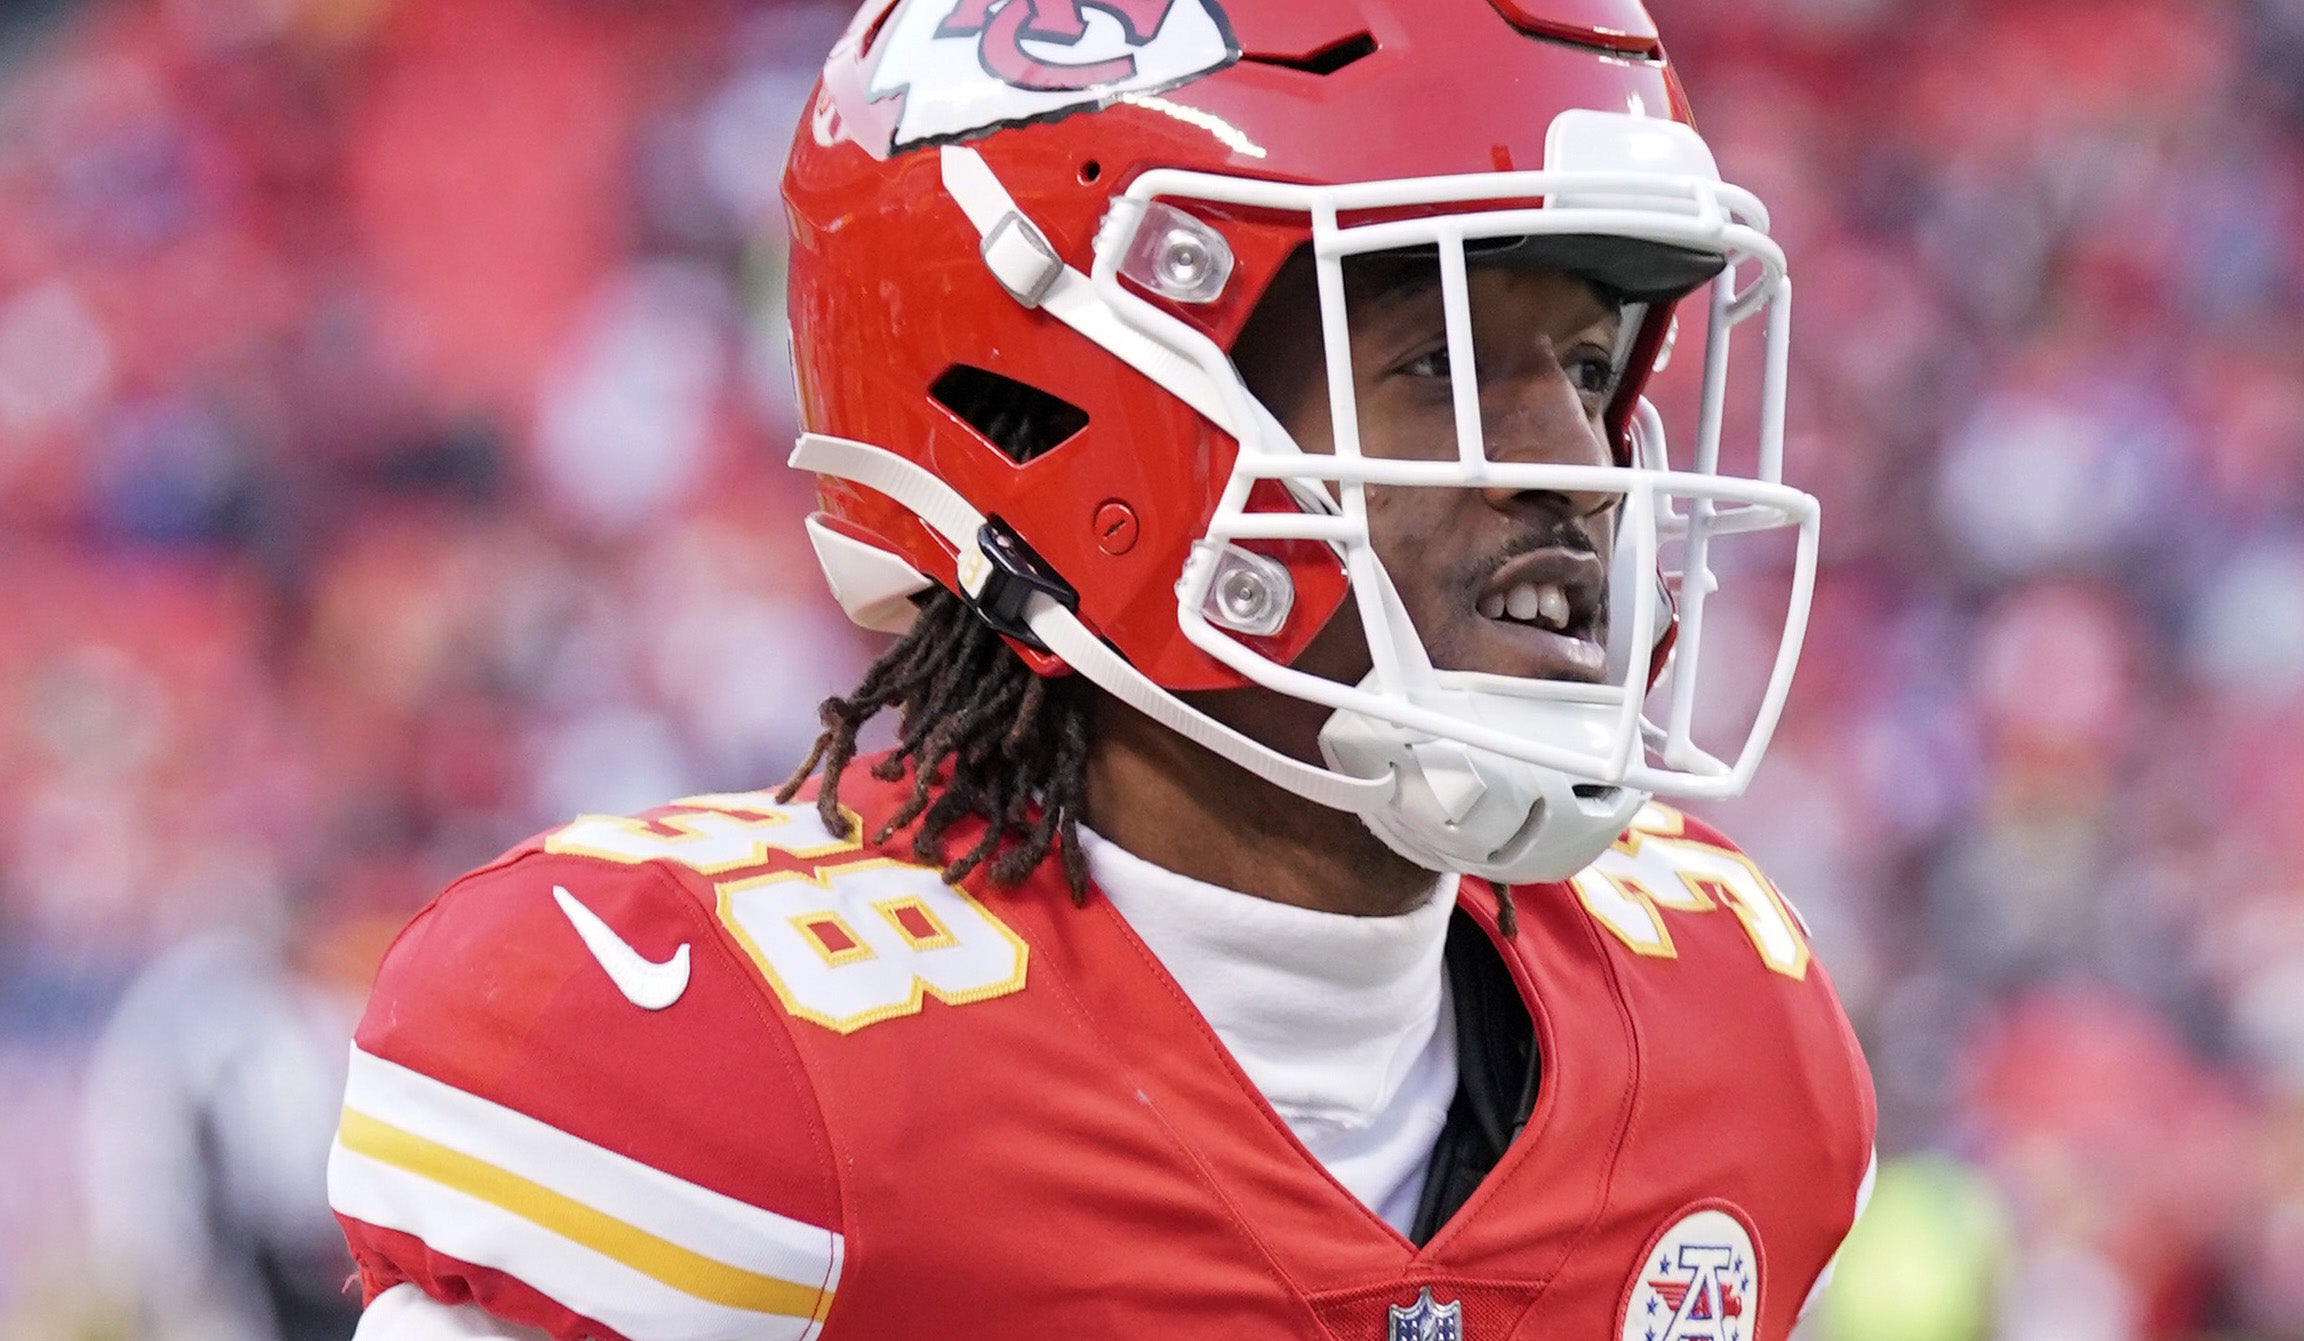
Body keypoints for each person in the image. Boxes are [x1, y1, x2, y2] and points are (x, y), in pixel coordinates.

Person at [326, 1, 1876, 1337]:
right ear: (1067, 417)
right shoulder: (725, 1071)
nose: (1577, 469)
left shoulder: (1726, 1046)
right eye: (1440, 369)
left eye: (1590, 368)